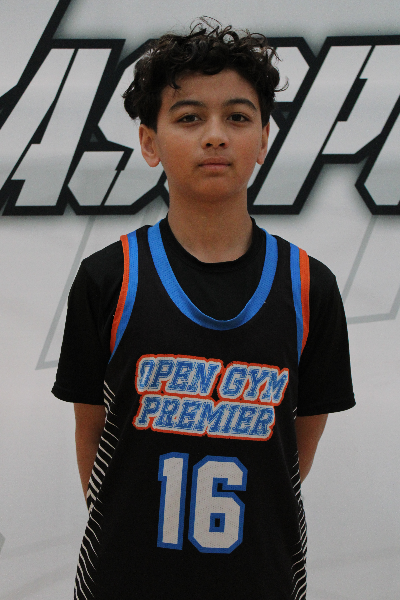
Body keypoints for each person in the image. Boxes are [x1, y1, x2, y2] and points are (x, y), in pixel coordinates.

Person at [52, 19, 355, 600]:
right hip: (123, 580)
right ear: (149, 142)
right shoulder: (107, 279)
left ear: (263, 140)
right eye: (189, 118)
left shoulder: (309, 287)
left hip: (261, 578)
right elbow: (93, 439)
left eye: (237, 118)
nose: (215, 136)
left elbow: (292, 455)